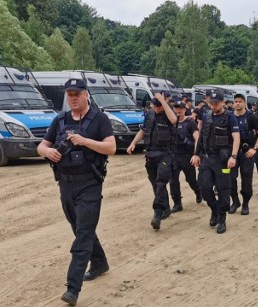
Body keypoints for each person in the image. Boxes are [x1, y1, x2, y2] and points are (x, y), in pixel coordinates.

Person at [37, 78, 116, 306]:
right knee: (80, 228)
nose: (73, 97)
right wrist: (47, 152)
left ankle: (73, 288)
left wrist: (85, 141)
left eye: (77, 93)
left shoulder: (99, 119)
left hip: (90, 183)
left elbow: (111, 147)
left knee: (83, 232)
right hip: (65, 184)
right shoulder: (60, 120)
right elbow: (42, 145)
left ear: (85, 95)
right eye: (69, 94)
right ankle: (100, 262)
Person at [126, 92, 177, 230]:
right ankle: (165, 207)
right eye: (154, 106)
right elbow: (143, 130)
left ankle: (157, 213)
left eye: (158, 106)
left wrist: (163, 101)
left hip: (165, 153)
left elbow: (174, 120)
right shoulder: (150, 114)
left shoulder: (167, 113)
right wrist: (133, 143)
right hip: (150, 153)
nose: (156, 109)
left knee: (161, 182)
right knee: (155, 183)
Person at [191, 91, 240, 234]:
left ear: (223, 102)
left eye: (216, 103)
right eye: (211, 103)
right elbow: (201, 136)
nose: (213, 106)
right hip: (207, 158)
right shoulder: (206, 116)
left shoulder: (229, 117)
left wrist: (234, 156)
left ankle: (222, 218)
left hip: (223, 160)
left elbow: (236, 137)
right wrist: (195, 154)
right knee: (204, 186)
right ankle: (214, 209)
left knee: (224, 189)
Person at [229, 93, 258, 215]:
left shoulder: (251, 117)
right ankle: (235, 201)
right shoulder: (229, 116)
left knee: (246, 179)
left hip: (246, 152)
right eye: (236, 101)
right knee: (230, 178)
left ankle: (245, 203)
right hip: (232, 153)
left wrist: (255, 148)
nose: (237, 103)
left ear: (244, 103)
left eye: (240, 101)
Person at [169, 100, 203, 211]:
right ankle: (177, 203)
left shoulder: (190, 123)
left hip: (186, 156)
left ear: (184, 109)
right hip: (174, 155)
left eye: (180, 108)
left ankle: (198, 191)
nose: (178, 110)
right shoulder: (172, 122)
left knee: (191, 179)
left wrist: (195, 154)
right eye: (176, 108)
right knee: (173, 180)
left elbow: (197, 138)